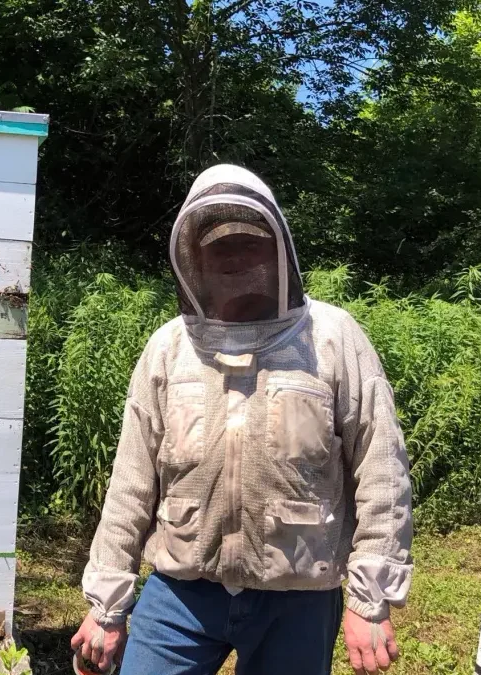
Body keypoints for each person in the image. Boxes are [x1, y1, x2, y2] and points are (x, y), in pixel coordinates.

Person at [70, 165, 412, 675]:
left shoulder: (334, 338)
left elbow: (382, 472)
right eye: (216, 244)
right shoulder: (168, 349)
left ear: (276, 249)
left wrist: (370, 599)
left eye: (247, 241)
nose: (232, 256)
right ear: (193, 257)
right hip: (181, 595)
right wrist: (106, 604)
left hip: (300, 597)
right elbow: (132, 484)